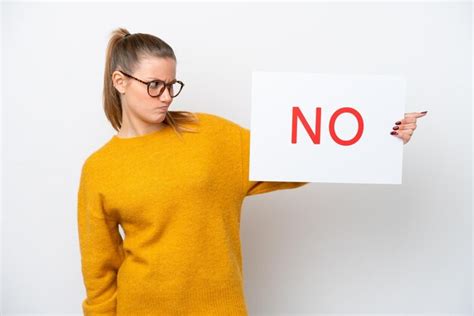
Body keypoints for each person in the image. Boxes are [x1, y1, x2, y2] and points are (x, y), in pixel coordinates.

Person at [77, 27, 427, 316]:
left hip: (220, 308)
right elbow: (100, 271)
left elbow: (298, 155)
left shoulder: (209, 135)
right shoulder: (99, 169)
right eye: (154, 85)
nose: (166, 96)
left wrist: (382, 134)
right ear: (120, 82)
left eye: (171, 85)